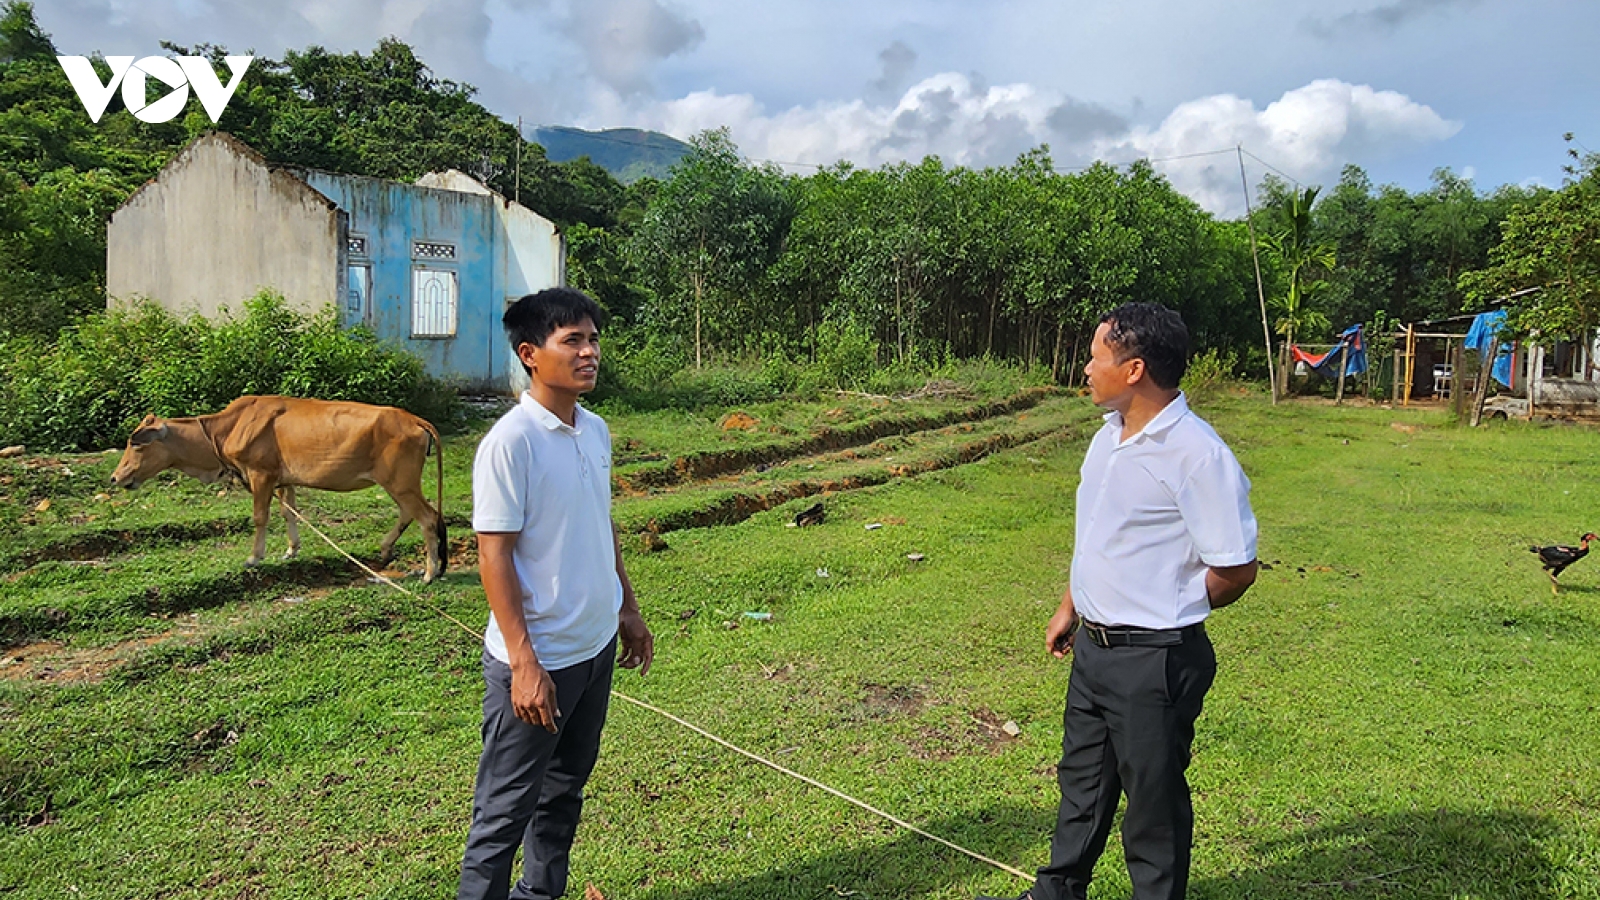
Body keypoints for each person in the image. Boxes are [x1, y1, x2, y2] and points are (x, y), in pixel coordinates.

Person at [983, 303, 1258, 900]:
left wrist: (1169, 606)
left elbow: (1236, 569)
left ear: (1133, 369)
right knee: (1081, 784)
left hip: (1155, 660)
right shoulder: (1107, 438)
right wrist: (1072, 603)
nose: (1085, 368)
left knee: (1151, 806)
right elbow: (1100, 536)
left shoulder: (1197, 455)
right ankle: (1056, 892)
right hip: (1095, 651)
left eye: (1095, 356)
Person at [458, 287, 655, 900]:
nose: (590, 351)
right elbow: (493, 556)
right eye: (572, 340)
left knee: (564, 793)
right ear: (530, 353)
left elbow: (600, 521)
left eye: (593, 338)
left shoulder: (594, 430)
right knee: (502, 815)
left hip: (593, 652)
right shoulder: (509, 444)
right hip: (539, 662)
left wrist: (626, 607)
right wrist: (523, 663)